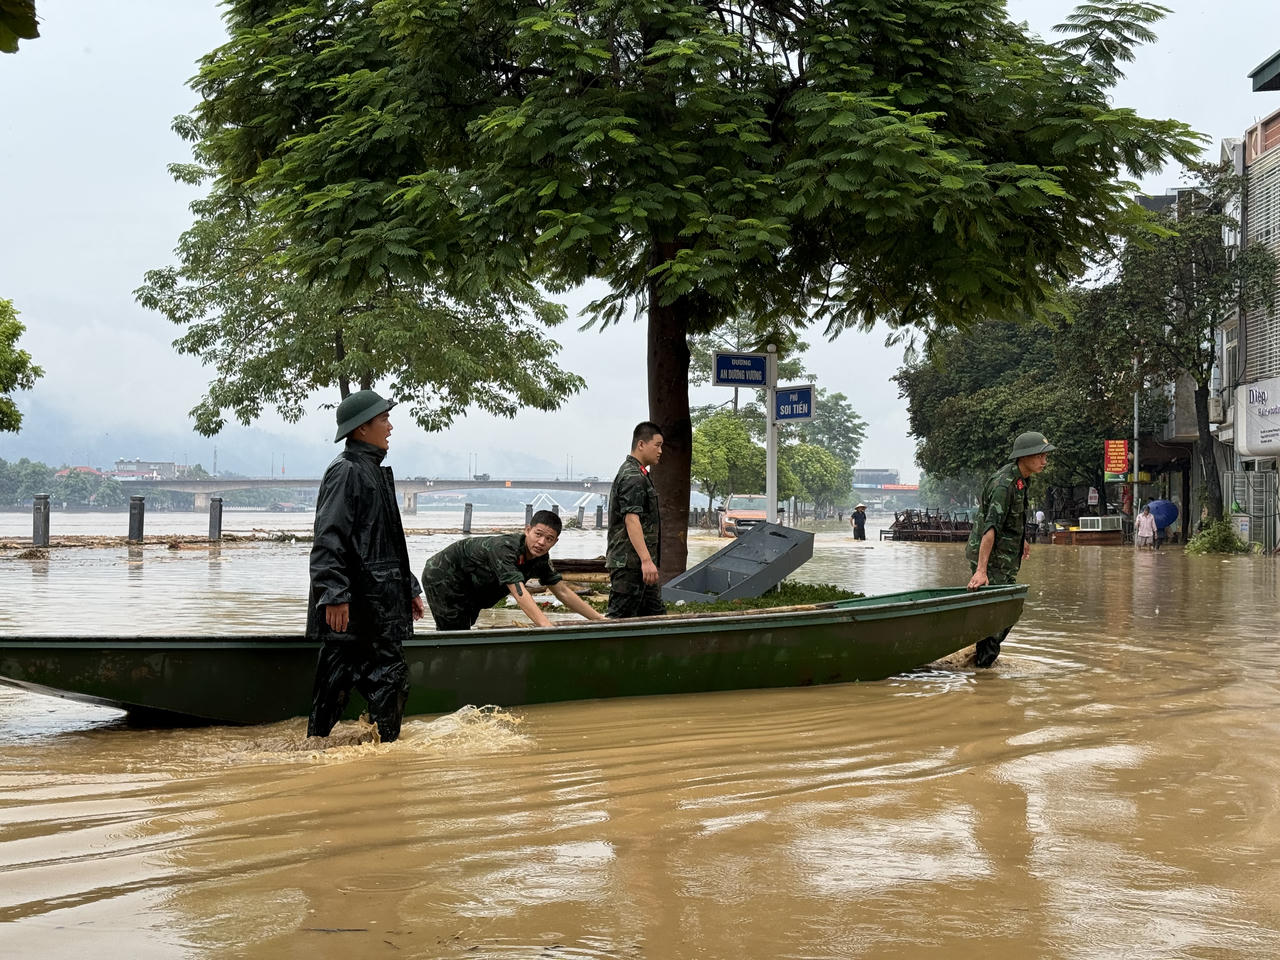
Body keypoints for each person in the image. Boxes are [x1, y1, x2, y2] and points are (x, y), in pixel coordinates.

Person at [306, 389, 425, 743]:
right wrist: (334, 594)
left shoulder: (371, 471)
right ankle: (379, 758)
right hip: (356, 609)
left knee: (363, 682)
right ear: (361, 429)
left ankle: (355, 759)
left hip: (377, 607)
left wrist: (409, 588)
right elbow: (329, 538)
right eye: (383, 419)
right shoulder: (347, 472)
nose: (390, 426)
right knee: (354, 682)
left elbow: (388, 544)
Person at [421, 510, 607, 629]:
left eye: (549, 539)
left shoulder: (541, 559)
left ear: (555, 542)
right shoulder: (506, 549)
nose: (541, 542)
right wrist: (545, 626)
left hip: (471, 583)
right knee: (455, 631)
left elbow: (562, 591)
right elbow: (519, 592)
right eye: (538, 534)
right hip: (442, 574)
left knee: (464, 625)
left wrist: (598, 619)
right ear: (527, 530)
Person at [965, 430, 1055, 667]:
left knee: (1000, 611)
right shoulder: (1003, 485)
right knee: (1002, 612)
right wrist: (981, 571)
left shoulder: (1022, 480)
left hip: (1005, 555)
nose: (1044, 461)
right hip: (992, 558)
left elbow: (1012, 519)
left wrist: (1022, 539)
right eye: (1040, 456)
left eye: (1045, 456)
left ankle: (981, 662)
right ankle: (982, 667)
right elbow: (990, 528)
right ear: (1024, 456)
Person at [606, 421, 664, 618]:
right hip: (631, 565)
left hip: (638, 565)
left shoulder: (638, 474)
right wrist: (647, 561)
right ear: (641, 444)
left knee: (656, 619)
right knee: (619, 622)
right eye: (657, 445)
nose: (660, 451)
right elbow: (632, 520)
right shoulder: (633, 477)